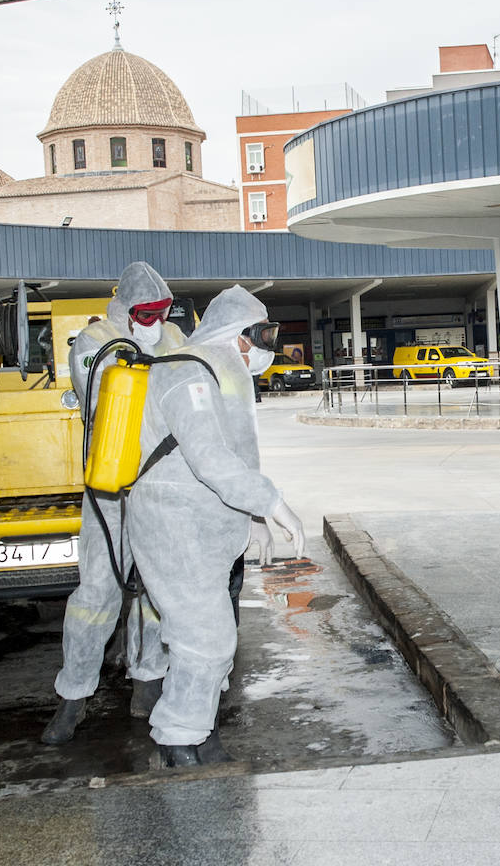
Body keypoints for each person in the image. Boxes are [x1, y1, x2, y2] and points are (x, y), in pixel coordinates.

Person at [126, 284, 304, 767]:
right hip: (172, 527)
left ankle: (197, 731)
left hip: (200, 528)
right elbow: (207, 457)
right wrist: (270, 503)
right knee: (204, 637)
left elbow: (237, 453)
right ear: (237, 333)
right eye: (262, 334)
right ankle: (176, 739)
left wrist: (250, 520)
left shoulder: (223, 372)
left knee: (212, 636)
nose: (268, 345)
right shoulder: (190, 371)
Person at [42, 261, 187, 745]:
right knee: (96, 594)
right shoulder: (95, 341)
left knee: (154, 590)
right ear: (125, 312)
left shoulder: (172, 340)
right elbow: (103, 399)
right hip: (109, 488)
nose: (157, 324)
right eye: (147, 315)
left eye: (163, 314)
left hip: (160, 486)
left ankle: (147, 683)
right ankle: (74, 697)